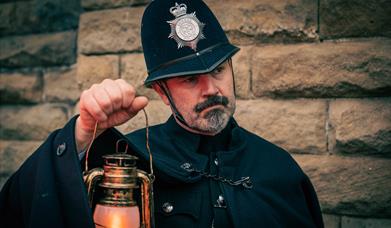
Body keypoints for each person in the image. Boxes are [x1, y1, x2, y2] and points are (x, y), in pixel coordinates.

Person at [0, 0, 324, 227]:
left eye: (219, 70)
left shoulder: (280, 170)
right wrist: (82, 135)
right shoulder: (126, 160)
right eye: (190, 79)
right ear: (162, 93)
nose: (211, 88)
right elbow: (17, 210)